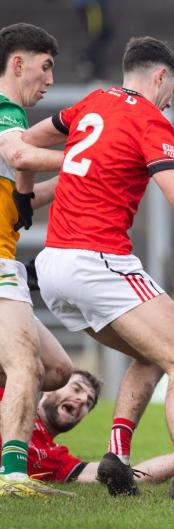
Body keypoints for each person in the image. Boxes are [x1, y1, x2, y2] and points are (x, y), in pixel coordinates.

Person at [21, 36, 174, 498]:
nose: (169, 102)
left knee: (152, 356)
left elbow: (27, 141)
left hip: (53, 264)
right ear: (161, 77)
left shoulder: (93, 101)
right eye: (173, 91)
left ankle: (117, 457)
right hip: (98, 260)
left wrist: (27, 194)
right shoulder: (149, 119)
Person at [0, 22, 75, 498]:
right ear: (18, 63)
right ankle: (11, 476)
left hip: (7, 258)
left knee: (57, 370)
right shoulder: (6, 113)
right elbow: (17, 152)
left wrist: (84, 177)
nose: (49, 81)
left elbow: (22, 205)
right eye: (45, 68)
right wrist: (90, 157)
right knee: (26, 366)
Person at [0, 370, 174, 486]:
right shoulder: (6, 394)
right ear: (51, 387)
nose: (82, 400)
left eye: (89, 403)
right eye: (77, 389)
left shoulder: (56, 458)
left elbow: (130, 475)